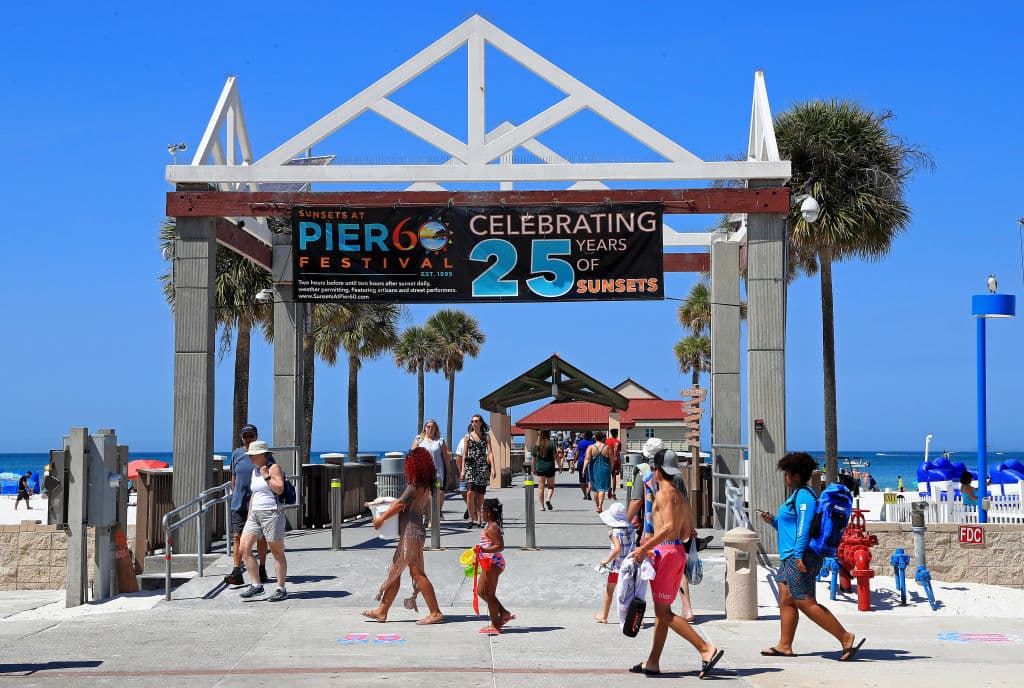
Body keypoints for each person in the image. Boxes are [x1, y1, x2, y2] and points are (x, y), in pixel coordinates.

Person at [758, 451, 864, 661]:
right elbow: (793, 526)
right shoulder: (797, 495)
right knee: (787, 599)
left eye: (787, 473)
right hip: (790, 555)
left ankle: (845, 637)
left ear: (796, 475)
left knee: (805, 601)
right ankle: (784, 645)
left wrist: (798, 555)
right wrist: (773, 521)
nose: (785, 477)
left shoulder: (805, 496)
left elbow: (805, 528)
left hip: (801, 555)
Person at [629, 448, 724, 678]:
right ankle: (652, 661)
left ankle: (705, 648)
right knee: (664, 609)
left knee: (664, 612)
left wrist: (644, 548)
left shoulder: (663, 494)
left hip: (666, 553)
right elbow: (686, 531)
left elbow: (670, 528)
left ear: (658, 471)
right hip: (677, 552)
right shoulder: (680, 496)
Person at [362, 447, 445, 624]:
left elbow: (400, 504)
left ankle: (435, 612)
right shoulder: (426, 485)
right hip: (415, 532)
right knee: (396, 571)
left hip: (411, 533)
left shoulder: (415, 486)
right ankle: (382, 611)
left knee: (416, 573)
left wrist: (381, 519)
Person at [238, 441, 289, 602]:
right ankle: (256, 585)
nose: (251, 458)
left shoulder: (273, 468)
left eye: (253, 455)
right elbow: (254, 494)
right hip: (255, 514)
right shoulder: (254, 471)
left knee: (277, 552)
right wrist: (250, 513)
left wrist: (266, 475)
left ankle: (281, 588)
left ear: (263, 454)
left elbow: (279, 488)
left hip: (272, 513)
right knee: (244, 548)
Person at [225, 424, 268, 586]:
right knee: (237, 537)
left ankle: (262, 567)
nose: (248, 439)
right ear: (241, 437)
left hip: (258, 505)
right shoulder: (237, 453)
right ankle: (237, 570)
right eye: (245, 436)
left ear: (256, 436)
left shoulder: (264, 454)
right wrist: (235, 493)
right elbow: (234, 478)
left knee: (260, 537)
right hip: (239, 503)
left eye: (251, 435)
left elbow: (270, 474)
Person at [476, 498, 513, 634]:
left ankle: (495, 625)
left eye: (482, 511)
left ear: (489, 513)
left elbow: (500, 546)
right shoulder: (490, 526)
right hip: (488, 562)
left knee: (489, 594)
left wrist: (484, 550)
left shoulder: (492, 528)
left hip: (493, 564)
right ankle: (503, 612)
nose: (481, 513)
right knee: (481, 591)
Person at [593, 501, 633, 623]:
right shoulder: (630, 528)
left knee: (609, 592)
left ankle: (604, 616)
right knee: (630, 593)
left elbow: (617, 549)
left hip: (616, 567)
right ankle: (636, 618)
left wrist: (606, 560)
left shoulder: (614, 532)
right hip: (630, 565)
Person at [459, 414, 497, 527]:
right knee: (470, 492)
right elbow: (464, 455)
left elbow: (490, 453)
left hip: (482, 466)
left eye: (476, 421)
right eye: (472, 421)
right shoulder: (467, 437)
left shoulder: (486, 437)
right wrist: (462, 470)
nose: (473, 423)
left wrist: (493, 468)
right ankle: (471, 518)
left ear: (480, 423)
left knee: (480, 494)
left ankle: (479, 517)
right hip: (470, 466)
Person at [412, 419, 452, 516]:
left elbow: (446, 459)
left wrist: (449, 473)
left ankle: (434, 514)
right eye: (428, 426)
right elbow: (412, 455)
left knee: (437, 493)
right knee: (426, 494)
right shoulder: (419, 439)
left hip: (438, 474)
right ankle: (429, 516)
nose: (430, 428)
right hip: (423, 473)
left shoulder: (440, 441)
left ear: (435, 429)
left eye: (432, 427)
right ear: (425, 428)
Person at [583, 431, 613, 513]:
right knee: (602, 489)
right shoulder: (608, 447)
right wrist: (611, 469)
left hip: (594, 469)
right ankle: (600, 505)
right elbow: (612, 460)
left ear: (595, 438)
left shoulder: (591, 447)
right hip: (605, 469)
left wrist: (584, 469)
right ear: (603, 438)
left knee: (595, 489)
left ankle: (597, 506)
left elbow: (587, 459)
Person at [532, 430, 557, 511]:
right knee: (551, 486)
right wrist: (560, 466)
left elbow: (533, 459)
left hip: (540, 468)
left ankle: (542, 507)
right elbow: (556, 456)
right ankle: (548, 499)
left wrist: (533, 468)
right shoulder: (552, 444)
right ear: (548, 434)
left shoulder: (537, 444)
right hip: (550, 467)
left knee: (540, 487)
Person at [575, 431, 595, 500]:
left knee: (582, 480)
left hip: (581, 461)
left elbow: (577, 453)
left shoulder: (581, 442)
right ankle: (588, 492)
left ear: (585, 436)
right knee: (590, 479)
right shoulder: (593, 442)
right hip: (591, 461)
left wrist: (574, 461)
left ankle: (584, 495)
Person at [606, 428, 622, 500]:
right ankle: (614, 493)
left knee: (607, 476)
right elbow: (618, 454)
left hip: (607, 460)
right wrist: (620, 464)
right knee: (614, 477)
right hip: (615, 460)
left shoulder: (607, 441)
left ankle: (608, 490)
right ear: (616, 434)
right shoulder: (618, 442)